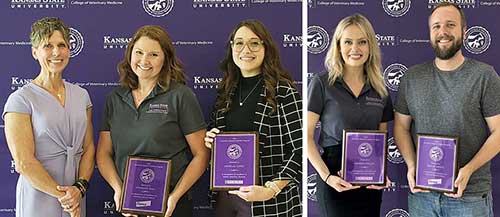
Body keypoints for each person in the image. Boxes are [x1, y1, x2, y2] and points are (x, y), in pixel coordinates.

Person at [394, 3, 500, 217]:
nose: (442, 32)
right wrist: (412, 165)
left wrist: (468, 170)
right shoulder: (412, 78)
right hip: (422, 195)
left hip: (469, 197)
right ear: (430, 33)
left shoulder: (484, 76)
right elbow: (401, 128)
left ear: (464, 31)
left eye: (450, 25)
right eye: (436, 26)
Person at [96, 25, 209, 217]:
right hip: (128, 206)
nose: (144, 60)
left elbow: (201, 154)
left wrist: (175, 196)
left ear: (165, 59)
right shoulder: (115, 99)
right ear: (130, 54)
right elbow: (104, 154)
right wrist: (119, 190)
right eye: (139, 52)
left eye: (154, 55)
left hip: (170, 207)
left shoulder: (180, 96)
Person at [204, 19, 302, 217]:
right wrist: (210, 138)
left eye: (254, 43)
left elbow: (300, 150)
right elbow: (219, 142)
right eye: (239, 43)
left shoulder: (282, 91)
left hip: (269, 201)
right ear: (232, 48)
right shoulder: (226, 91)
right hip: (225, 198)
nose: (245, 49)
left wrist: (271, 189)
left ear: (266, 48)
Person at [3, 17, 95, 217]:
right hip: (40, 196)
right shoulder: (20, 99)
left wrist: (78, 189)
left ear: (69, 50)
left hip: (76, 194)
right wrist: (66, 198)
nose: (56, 52)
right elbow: (24, 162)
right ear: (35, 52)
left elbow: (88, 149)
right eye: (48, 45)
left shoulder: (82, 96)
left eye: (62, 45)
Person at [307, 14, 393, 217]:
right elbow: (307, 137)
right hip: (335, 179)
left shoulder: (380, 89)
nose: (355, 49)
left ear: (370, 46)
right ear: (338, 45)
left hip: (369, 181)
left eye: (362, 42)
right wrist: (327, 177)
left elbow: (382, 139)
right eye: (348, 42)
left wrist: (381, 173)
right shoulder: (322, 84)